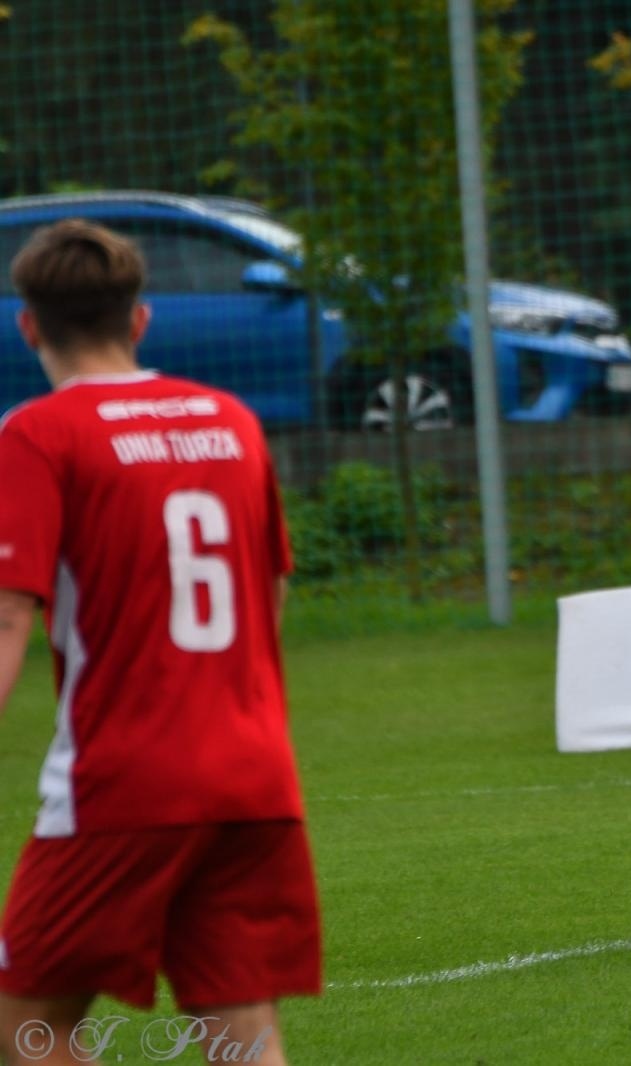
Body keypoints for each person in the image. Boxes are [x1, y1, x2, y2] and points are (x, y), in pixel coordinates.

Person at [0, 220, 319, 1065]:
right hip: (254, 771)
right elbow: (272, 589)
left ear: (28, 325)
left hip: (125, 778)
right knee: (240, 1028)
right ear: (140, 319)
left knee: (22, 1019)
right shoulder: (231, 421)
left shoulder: (37, 433)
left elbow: (7, 618)